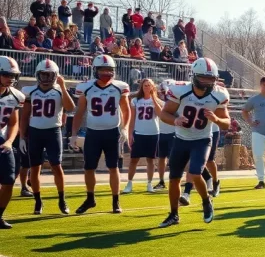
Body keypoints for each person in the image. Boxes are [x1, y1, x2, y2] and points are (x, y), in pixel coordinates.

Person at [158, 58, 230, 227]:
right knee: (174, 178)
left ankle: (206, 201)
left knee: (196, 173)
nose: (207, 82)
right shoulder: (180, 91)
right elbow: (164, 114)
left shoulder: (219, 95)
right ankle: (174, 214)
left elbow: (226, 122)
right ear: (194, 76)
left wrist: (216, 119)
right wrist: (175, 121)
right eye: (203, 78)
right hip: (181, 139)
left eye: (210, 78)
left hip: (202, 140)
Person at [71, 55, 131, 215]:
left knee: (114, 167)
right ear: (95, 70)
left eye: (109, 70)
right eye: (103, 70)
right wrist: (73, 134)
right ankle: (90, 198)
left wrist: (125, 128)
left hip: (112, 132)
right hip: (93, 133)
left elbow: (126, 110)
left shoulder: (120, 87)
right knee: (89, 168)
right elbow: (79, 112)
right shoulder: (86, 87)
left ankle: (115, 201)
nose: (106, 73)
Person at [19, 59, 75, 216]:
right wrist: (22, 136)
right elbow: (24, 116)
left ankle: (62, 199)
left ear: (55, 76)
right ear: (38, 75)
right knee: (34, 168)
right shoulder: (30, 92)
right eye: (43, 75)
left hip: (53, 132)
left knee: (56, 166)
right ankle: (37, 201)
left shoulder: (59, 91)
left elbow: (70, 108)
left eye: (49, 75)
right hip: (35, 132)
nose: (45, 79)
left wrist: (63, 86)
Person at [123, 79, 163, 194]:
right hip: (139, 133)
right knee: (133, 159)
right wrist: (130, 133)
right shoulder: (136, 100)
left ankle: (149, 183)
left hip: (153, 133)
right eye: (145, 85)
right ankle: (129, 183)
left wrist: (154, 99)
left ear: (152, 87)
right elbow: (132, 118)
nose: (147, 87)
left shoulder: (157, 100)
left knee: (150, 160)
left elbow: (160, 114)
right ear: (141, 87)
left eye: (149, 85)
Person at [0, 57, 24, 229]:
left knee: (8, 180)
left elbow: (14, 123)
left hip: (2, 140)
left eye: (13, 75)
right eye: (7, 74)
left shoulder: (16, 96)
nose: (11, 79)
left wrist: (9, 141)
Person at [153, 79, 178, 190]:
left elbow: (163, 108)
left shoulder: (175, 102)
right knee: (161, 158)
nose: (162, 93)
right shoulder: (158, 100)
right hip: (160, 132)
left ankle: (175, 179)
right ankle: (162, 181)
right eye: (161, 91)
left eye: (163, 91)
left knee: (174, 159)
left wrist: (154, 98)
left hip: (173, 132)